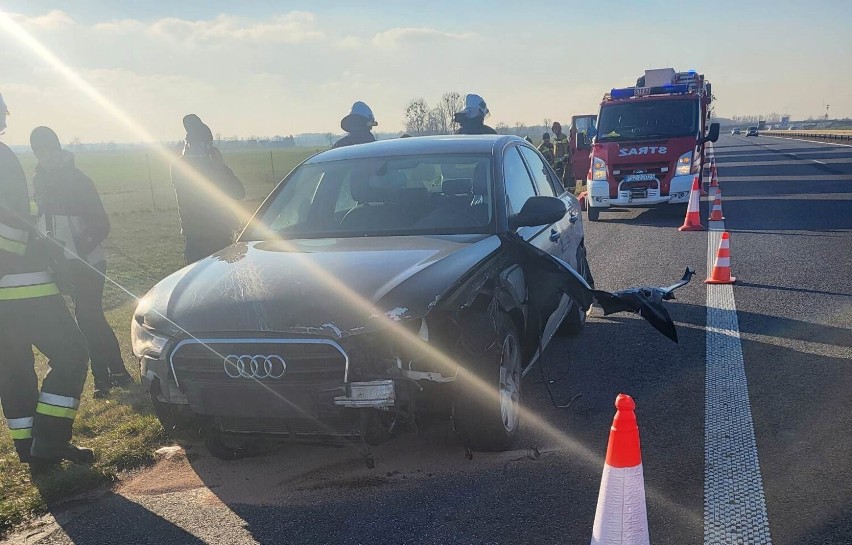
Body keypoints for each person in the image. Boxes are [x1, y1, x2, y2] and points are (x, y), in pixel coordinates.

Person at [0, 92, 93, 468]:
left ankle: (31, 451)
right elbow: (14, 223)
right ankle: (50, 443)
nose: (6, 120)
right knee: (72, 353)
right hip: (26, 285)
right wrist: (40, 241)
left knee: (14, 369)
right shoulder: (2, 156)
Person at [30, 126, 132, 398]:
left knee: (87, 317)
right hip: (62, 263)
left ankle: (106, 379)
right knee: (89, 317)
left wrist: (82, 246)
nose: (45, 156)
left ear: (58, 148)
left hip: (90, 261)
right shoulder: (39, 182)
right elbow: (44, 221)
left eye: (49, 150)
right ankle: (115, 375)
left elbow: (102, 224)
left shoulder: (79, 180)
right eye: (39, 152)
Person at [171, 114, 245, 264]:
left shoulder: (178, 165)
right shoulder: (210, 167)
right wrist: (221, 166)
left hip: (197, 238)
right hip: (216, 237)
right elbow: (238, 192)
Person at [551, 122, 572, 187]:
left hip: (562, 161)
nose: (555, 130)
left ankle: (563, 188)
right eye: (554, 129)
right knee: (557, 176)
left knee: (562, 176)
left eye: (556, 129)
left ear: (559, 129)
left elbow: (566, 147)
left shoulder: (563, 136)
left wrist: (565, 157)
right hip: (557, 161)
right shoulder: (555, 138)